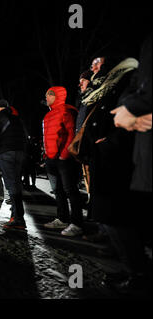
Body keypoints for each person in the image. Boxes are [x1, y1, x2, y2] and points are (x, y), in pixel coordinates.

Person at [79, 54, 141, 293]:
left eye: (97, 63)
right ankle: (129, 267)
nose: (92, 66)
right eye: (92, 63)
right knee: (107, 215)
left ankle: (138, 273)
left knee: (118, 216)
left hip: (117, 157)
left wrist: (110, 141)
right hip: (102, 155)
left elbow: (135, 114)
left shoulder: (126, 80)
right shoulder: (103, 87)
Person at [105, 36, 151, 294]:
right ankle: (137, 271)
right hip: (127, 145)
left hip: (125, 147)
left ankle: (139, 273)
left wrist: (133, 110)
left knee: (120, 214)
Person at [42, 87, 83, 236]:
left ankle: (77, 223)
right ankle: (62, 218)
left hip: (64, 160)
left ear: (57, 96)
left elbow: (72, 133)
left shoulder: (67, 110)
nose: (46, 98)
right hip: (52, 159)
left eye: (49, 95)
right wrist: (47, 156)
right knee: (58, 191)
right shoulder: (48, 115)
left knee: (70, 190)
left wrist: (64, 155)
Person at [0, 99, 26, 229]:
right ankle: (17, 215)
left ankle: (18, 218)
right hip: (19, 153)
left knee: (11, 185)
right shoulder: (17, 118)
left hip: (6, 153)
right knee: (16, 183)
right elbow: (24, 136)